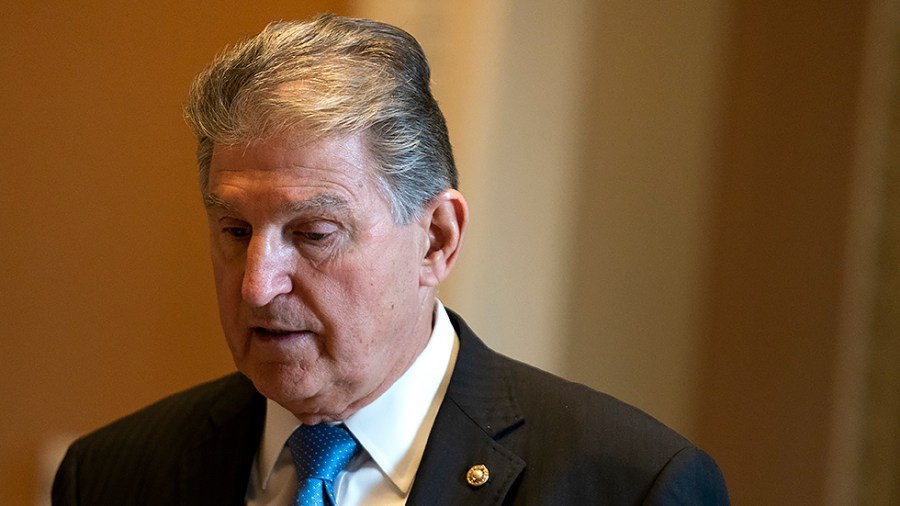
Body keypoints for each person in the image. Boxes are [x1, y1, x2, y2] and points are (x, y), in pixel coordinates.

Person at [52, 13, 729, 505]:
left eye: (315, 233)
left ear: (435, 239)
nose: (257, 285)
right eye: (234, 231)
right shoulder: (111, 476)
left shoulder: (629, 484)